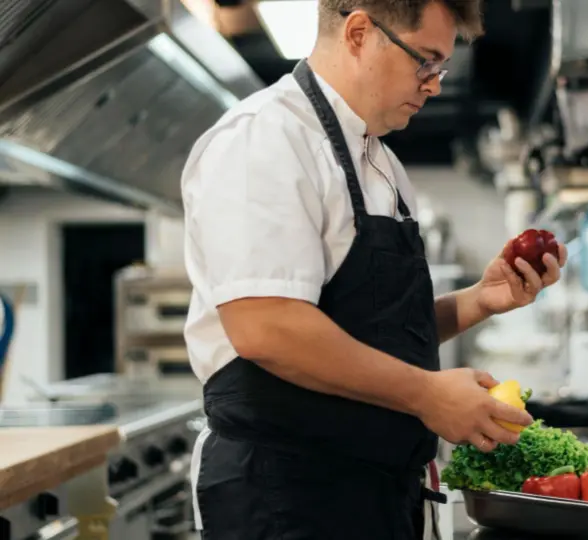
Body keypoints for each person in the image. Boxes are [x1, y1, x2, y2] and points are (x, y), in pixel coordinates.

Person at [180, 1, 567, 539]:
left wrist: (480, 299)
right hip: (285, 495)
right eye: (425, 62)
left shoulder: (381, 165)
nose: (433, 85)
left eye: (440, 69)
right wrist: (428, 394)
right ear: (360, 32)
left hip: (375, 494)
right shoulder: (264, 140)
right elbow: (267, 328)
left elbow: (375, 335)